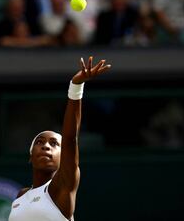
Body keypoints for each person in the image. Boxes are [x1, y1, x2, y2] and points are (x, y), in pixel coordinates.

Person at [8, 56, 111, 221]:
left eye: (54, 143)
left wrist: (76, 86)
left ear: (64, 156)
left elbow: (70, 138)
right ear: (30, 156)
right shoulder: (21, 195)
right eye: (39, 142)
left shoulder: (62, 186)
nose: (46, 146)